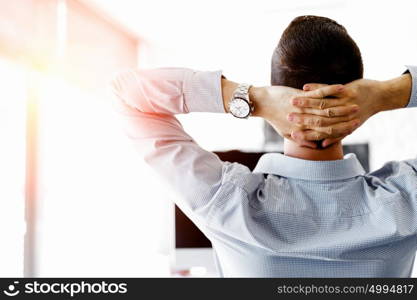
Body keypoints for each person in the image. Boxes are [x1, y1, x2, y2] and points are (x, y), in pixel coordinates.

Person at [111, 15, 416, 277]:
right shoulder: (406, 199)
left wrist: (251, 99)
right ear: (359, 99)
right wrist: (388, 94)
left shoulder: (227, 202)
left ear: (277, 90)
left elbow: (126, 94)